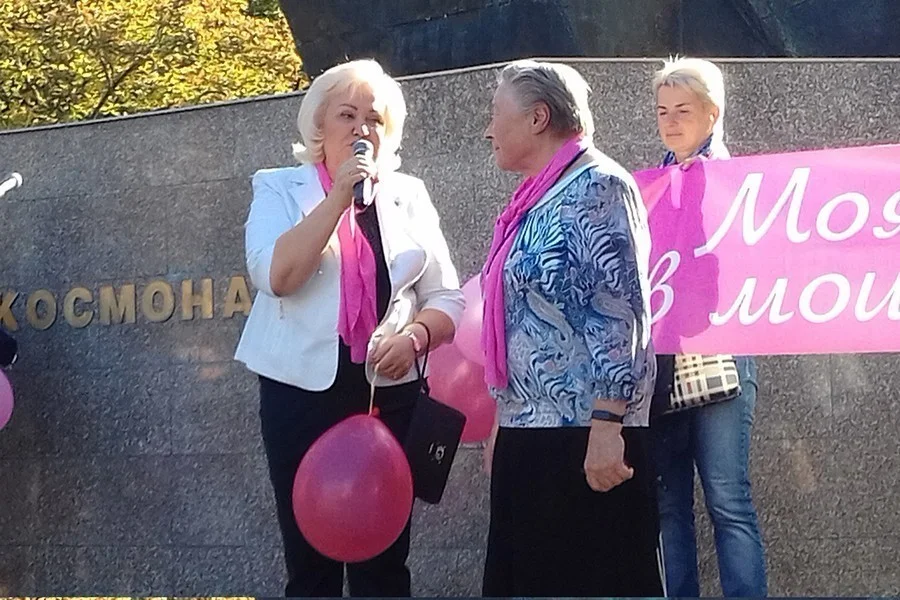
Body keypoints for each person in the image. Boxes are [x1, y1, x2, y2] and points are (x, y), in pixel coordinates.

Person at [234, 59, 465, 598]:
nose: (362, 128)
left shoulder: (408, 194)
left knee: (384, 563)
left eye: (374, 118)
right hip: (300, 395)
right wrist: (339, 198)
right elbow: (276, 277)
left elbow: (446, 298)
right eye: (347, 115)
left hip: (388, 395)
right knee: (310, 564)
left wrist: (415, 338)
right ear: (319, 124)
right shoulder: (278, 188)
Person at [479, 59, 661, 597]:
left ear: (538, 118)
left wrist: (607, 426)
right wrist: (506, 417)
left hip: (583, 438)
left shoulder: (598, 186)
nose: (488, 129)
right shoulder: (536, 198)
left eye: (496, 113)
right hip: (533, 434)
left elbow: (619, 312)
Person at [650, 56, 768, 597]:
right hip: (661, 363)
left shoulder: (736, 183)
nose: (671, 122)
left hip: (722, 357)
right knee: (668, 504)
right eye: (662, 111)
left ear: (712, 113)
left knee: (728, 499)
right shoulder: (650, 186)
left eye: (683, 110)